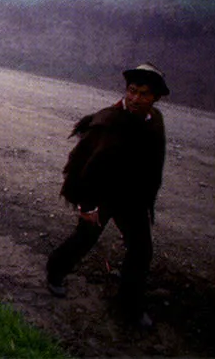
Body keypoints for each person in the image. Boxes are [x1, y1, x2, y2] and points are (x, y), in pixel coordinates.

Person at [46, 63, 170, 328]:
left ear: (156, 98)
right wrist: (86, 206)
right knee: (84, 239)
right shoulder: (108, 122)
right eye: (132, 91)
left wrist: (147, 196)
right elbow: (82, 167)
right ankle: (54, 272)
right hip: (101, 197)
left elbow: (153, 162)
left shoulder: (155, 121)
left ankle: (130, 307)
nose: (135, 99)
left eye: (144, 94)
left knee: (141, 251)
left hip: (133, 199)